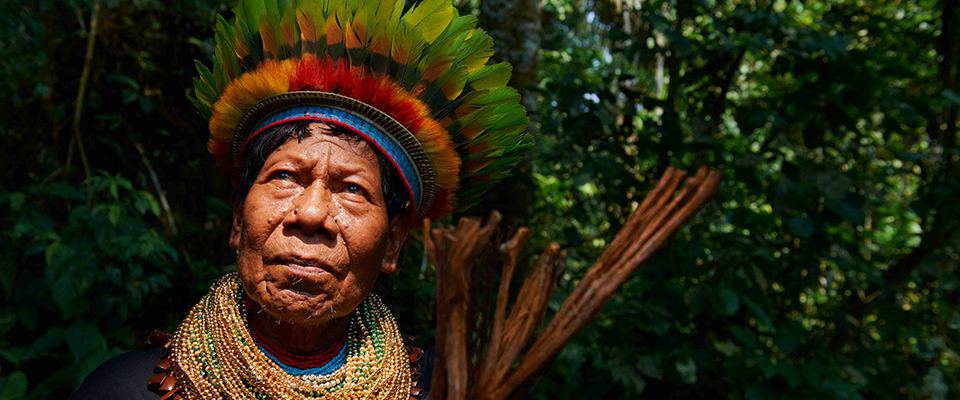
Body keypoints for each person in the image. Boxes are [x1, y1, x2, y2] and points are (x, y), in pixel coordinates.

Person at [68, 0, 531, 398]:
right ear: (236, 219)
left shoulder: (448, 388)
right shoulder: (121, 391)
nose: (311, 214)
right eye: (285, 176)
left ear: (393, 243)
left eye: (353, 190)